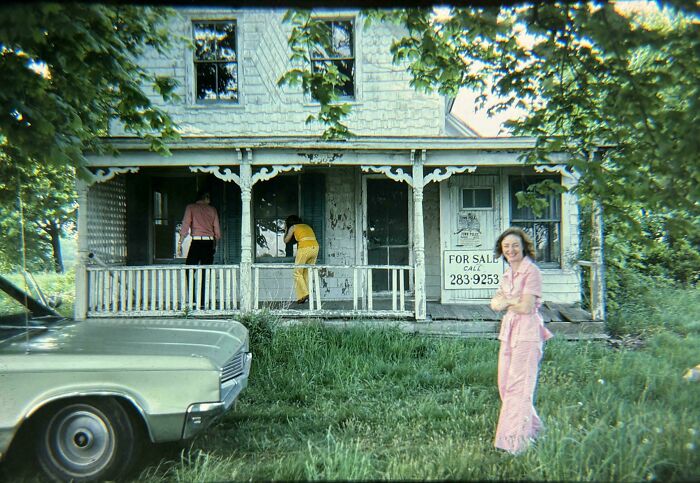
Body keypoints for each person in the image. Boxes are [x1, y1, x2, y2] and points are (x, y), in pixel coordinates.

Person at [490, 227, 553, 455]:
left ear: (524, 247)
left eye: (515, 245)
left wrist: (507, 301)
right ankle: (535, 431)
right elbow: (494, 304)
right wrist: (510, 300)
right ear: (501, 250)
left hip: (527, 333)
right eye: (506, 246)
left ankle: (516, 444)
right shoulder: (508, 274)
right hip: (509, 331)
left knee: (520, 386)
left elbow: (526, 307)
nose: (511, 250)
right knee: (505, 385)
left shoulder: (532, 272)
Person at [178, 190, 221, 305]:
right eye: (208, 197)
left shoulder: (191, 208)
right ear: (204, 197)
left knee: (189, 269)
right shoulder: (212, 210)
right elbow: (217, 231)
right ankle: (202, 300)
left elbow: (185, 225)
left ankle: (193, 299)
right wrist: (215, 245)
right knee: (205, 272)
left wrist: (180, 242)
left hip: (196, 242)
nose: (210, 199)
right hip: (209, 243)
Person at [284, 215, 319, 304]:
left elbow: (286, 240)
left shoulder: (293, 227)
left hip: (305, 248)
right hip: (315, 248)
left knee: (297, 272)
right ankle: (305, 296)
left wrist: (286, 230)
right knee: (307, 272)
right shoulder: (306, 226)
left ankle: (305, 294)